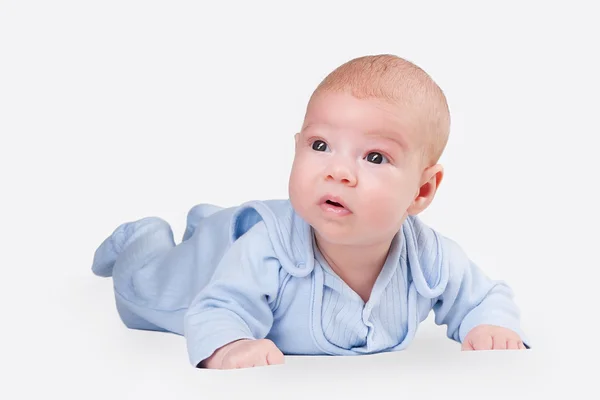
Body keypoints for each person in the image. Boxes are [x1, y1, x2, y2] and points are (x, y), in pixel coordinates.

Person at [91, 54, 529, 370]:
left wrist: (490, 326)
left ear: (422, 189)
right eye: (320, 146)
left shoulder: (429, 256)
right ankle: (143, 238)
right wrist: (231, 344)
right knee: (143, 293)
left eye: (374, 157)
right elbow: (215, 306)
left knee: (215, 232)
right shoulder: (269, 252)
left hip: (236, 239)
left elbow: (484, 297)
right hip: (212, 264)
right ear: (297, 146)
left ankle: (206, 220)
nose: (338, 171)